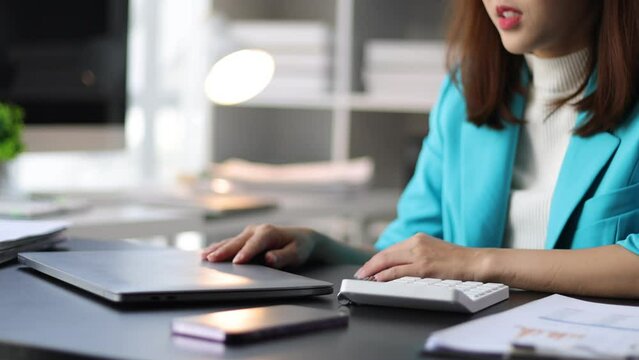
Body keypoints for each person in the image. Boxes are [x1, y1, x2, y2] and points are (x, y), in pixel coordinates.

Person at [202, 0, 639, 298]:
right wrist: (319, 249)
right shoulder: (464, 94)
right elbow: (415, 250)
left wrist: (477, 263)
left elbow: (457, 261)